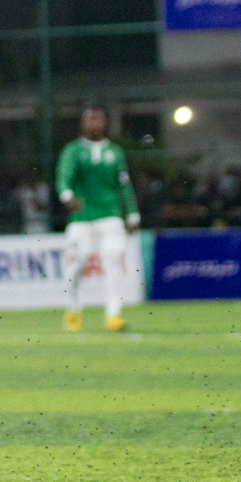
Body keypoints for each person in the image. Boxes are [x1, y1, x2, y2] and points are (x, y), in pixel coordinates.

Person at [55, 104, 139, 332]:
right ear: (83, 123)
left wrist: (132, 213)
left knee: (113, 264)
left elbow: (124, 185)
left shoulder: (115, 152)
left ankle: (114, 315)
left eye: (98, 119)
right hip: (81, 216)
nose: (95, 123)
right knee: (74, 266)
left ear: (105, 122)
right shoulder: (73, 151)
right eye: (90, 119)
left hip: (110, 215)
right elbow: (64, 177)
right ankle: (72, 311)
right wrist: (67, 195)